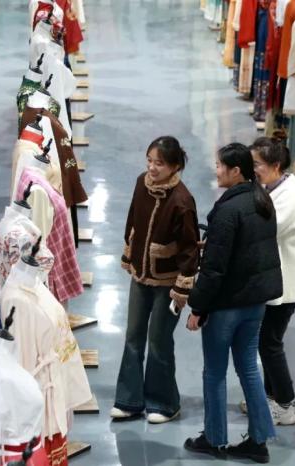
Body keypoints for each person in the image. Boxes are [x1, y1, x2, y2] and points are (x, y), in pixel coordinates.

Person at [184, 143, 282, 463]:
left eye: (219, 165)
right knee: (249, 369)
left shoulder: (227, 210)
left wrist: (197, 307)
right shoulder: (262, 200)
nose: (216, 170)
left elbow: (214, 269)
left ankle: (214, 439)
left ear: (235, 170)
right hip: (255, 303)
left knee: (214, 372)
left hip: (227, 305)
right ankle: (259, 440)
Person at [112, 136, 200, 424]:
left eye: (159, 163)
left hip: (168, 282)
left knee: (159, 340)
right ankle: (129, 400)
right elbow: (132, 220)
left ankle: (165, 403)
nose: (152, 167)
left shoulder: (182, 200)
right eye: (149, 161)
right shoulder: (142, 183)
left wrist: (183, 287)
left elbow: (189, 248)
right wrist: (129, 253)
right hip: (140, 275)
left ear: (175, 166)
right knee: (133, 336)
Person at [247, 137, 295, 425]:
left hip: (286, 284)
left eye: (257, 164)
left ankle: (285, 404)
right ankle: (270, 397)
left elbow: (266, 228)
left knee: (269, 342)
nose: (253, 169)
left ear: (275, 165)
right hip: (274, 280)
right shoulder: (271, 187)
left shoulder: (290, 194)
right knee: (265, 340)